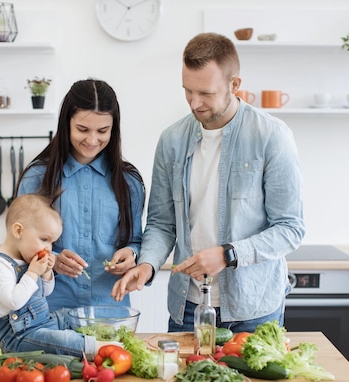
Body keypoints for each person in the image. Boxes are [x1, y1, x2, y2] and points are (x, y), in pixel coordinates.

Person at [111, 32, 305, 334]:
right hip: (186, 306)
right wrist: (147, 265)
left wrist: (228, 254)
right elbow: (162, 223)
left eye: (206, 93)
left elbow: (290, 229)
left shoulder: (271, 136)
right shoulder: (171, 141)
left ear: (234, 84)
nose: (194, 102)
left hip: (253, 308)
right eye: (187, 91)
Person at [16, 79, 145, 311]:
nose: (92, 140)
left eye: (103, 131)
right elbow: (18, 244)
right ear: (66, 124)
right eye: (83, 129)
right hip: (48, 310)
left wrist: (131, 254)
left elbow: (136, 240)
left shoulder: (129, 182)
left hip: (111, 310)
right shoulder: (36, 178)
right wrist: (51, 259)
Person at [0, 193, 102, 358]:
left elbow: (44, 293)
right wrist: (32, 273)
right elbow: (13, 301)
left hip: (42, 323)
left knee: (71, 315)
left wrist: (46, 274)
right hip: (19, 338)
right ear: (18, 231)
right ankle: (105, 348)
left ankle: (105, 335)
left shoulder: (26, 257)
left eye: (51, 242)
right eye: (44, 239)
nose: (48, 248)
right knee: (64, 340)